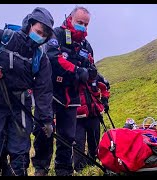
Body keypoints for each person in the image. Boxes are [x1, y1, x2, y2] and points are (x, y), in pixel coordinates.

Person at [0, 7, 55, 176]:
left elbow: (44, 91)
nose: (40, 37)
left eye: (44, 35)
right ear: (29, 25)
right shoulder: (3, 37)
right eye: (38, 31)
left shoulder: (41, 57)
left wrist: (46, 121)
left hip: (21, 105)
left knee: (20, 154)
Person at [32, 6, 109, 176]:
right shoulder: (56, 34)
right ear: (71, 19)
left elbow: (90, 68)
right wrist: (77, 71)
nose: (83, 26)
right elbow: (54, 58)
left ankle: (64, 169)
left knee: (67, 136)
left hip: (73, 95)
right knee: (44, 131)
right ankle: (41, 168)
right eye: (79, 22)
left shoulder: (86, 45)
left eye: (86, 24)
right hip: (50, 92)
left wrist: (92, 74)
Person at [73, 59, 111, 173]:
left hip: (94, 114)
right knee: (78, 143)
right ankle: (79, 169)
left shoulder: (96, 76)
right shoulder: (73, 73)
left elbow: (105, 87)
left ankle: (92, 165)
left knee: (94, 142)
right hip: (78, 116)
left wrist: (104, 100)